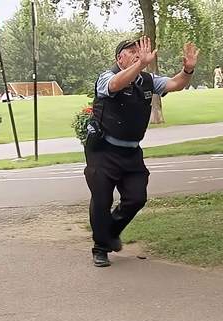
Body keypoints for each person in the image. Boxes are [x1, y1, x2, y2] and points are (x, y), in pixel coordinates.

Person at [85, 36, 199, 267]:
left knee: (137, 198)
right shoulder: (107, 77)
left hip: (131, 153)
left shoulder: (147, 80)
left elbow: (175, 84)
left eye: (140, 51)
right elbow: (115, 85)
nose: (138, 54)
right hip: (103, 150)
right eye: (132, 52)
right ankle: (101, 248)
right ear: (120, 58)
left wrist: (187, 69)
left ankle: (109, 232)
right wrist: (141, 64)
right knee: (101, 200)